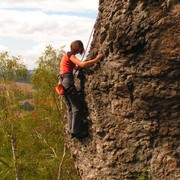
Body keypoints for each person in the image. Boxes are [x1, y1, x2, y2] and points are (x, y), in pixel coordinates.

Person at [59, 40, 104, 139]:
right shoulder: (71, 55)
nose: (81, 50)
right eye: (81, 48)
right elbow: (82, 65)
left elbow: (75, 66)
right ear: (78, 47)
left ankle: (71, 130)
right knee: (77, 107)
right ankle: (76, 131)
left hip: (62, 83)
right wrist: (97, 59)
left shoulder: (66, 55)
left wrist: (78, 67)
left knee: (70, 108)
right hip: (67, 82)